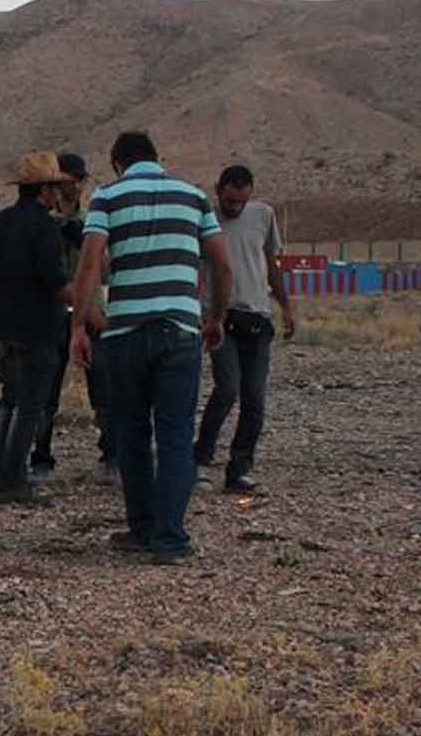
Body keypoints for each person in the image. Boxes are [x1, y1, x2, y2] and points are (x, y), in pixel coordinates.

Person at [69, 131, 232, 564]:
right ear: (158, 158)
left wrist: (79, 328)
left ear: (118, 162)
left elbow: (89, 265)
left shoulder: (108, 197)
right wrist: (215, 317)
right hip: (180, 330)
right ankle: (171, 539)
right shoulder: (194, 196)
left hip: (125, 333)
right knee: (177, 436)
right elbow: (221, 261)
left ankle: (141, 529)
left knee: (133, 433)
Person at [0, 152, 71, 505]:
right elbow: (55, 281)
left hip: (4, 324)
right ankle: (13, 478)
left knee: (8, 401)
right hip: (39, 327)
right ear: (46, 190)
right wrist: (85, 298)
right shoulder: (45, 228)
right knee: (30, 405)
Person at [194, 165, 296, 493]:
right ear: (218, 190)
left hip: (258, 317)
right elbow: (196, 268)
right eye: (230, 200)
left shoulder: (264, 215)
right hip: (221, 319)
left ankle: (239, 468)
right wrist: (199, 313)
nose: (236, 207)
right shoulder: (205, 219)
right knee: (227, 389)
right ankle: (200, 457)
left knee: (254, 398)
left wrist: (286, 306)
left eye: (242, 200)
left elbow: (271, 263)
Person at [28, 152, 93, 484]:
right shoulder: (41, 221)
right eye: (65, 180)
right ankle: (40, 456)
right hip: (51, 310)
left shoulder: (95, 219)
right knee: (45, 390)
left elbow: (106, 267)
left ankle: (111, 454)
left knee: (103, 386)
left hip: (89, 308)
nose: (71, 187)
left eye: (77, 180)